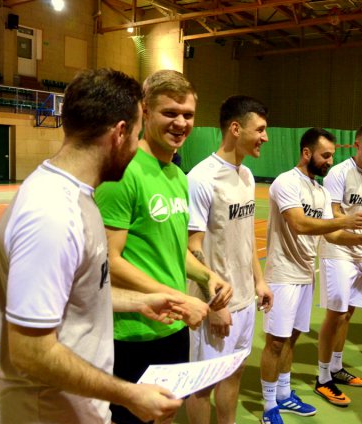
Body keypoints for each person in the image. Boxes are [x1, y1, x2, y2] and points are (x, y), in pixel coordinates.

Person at [0, 68, 185, 423]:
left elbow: (74, 299)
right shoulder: (52, 213)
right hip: (45, 414)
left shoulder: (80, 198)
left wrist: (140, 301)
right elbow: (31, 351)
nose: (135, 148)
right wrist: (128, 393)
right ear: (120, 133)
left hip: (74, 410)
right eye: (137, 135)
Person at [94, 69, 232, 424]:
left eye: (187, 115)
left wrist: (207, 276)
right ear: (145, 111)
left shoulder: (177, 177)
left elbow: (175, 249)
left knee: (167, 415)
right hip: (132, 331)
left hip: (172, 327)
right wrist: (177, 298)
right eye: (170, 113)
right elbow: (110, 260)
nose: (180, 123)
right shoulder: (123, 172)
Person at [260, 127, 362, 424]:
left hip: (305, 274)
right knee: (275, 342)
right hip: (282, 274)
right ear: (307, 153)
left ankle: (285, 394)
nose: (329, 161)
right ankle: (268, 407)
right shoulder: (286, 182)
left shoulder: (318, 190)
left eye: (331, 155)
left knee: (291, 339)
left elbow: (332, 234)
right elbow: (300, 224)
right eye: (325, 155)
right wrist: (345, 219)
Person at [185, 95, 274, 424]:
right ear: (236, 128)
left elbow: (246, 236)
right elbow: (192, 246)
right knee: (201, 385)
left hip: (245, 301)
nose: (265, 137)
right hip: (214, 305)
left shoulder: (247, 176)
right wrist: (214, 302)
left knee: (234, 374)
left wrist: (259, 280)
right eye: (260, 129)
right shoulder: (201, 178)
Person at [315, 123, 362, 405]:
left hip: (361, 250)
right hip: (336, 249)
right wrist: (360, 240)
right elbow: (332, 216)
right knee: (336, 313)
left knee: (349, 313)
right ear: (357, 145)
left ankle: (336, 366)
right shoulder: (338, 173)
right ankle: (323, 378)